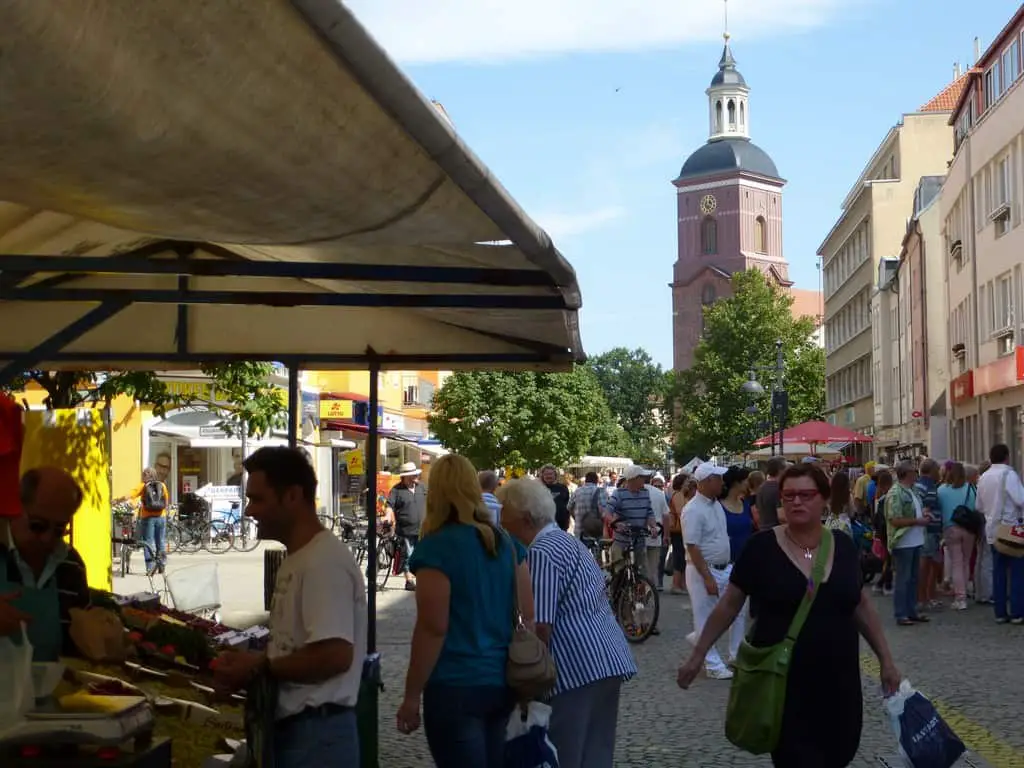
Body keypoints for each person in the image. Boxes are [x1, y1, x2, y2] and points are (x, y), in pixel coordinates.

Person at [677, 463, 900, 768]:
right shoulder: (762, 548)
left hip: (839, 681)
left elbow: (860, 604)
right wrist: (698, 655)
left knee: (840, 752)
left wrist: (886, 660)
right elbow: (730, 604)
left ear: (823, 499)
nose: (796, 502)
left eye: (806, 494)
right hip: (783, 682)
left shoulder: (844, 546)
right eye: (789, 496)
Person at [212, 447, 366, 767]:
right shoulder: (298, 558)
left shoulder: (323, 562)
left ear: (292, 496)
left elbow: (334, 655)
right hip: (299, 730)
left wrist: (258, 667)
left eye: (258, 499)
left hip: (317, 736)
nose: (249, 512)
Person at [396, 454, 532, 768]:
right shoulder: (506, 543)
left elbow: (432, 628)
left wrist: (411, 696)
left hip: (455, 684)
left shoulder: (436, 548)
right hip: (502, 681)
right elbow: (528, 612)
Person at [500, 478, 636, 768]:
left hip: (575, 668)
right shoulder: (568, 542)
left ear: (523, 518)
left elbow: (540, 625)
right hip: (607, 657)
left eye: (504, 518)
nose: (501, 526)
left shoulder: (540, 552)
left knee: (567, 753)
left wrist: (529, 679)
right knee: (597, 751)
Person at [0, 468, 91, 660]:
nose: (47, 538)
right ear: (16, 509)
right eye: (37, 525)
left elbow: (74, 646)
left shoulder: (71, 566)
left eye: (59, 529)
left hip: (52, 687)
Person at [682, 462, 733, 679]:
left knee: (722, 615)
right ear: (707, 481)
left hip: (722, 568)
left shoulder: (715, 504)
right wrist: (707, 577)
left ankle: (698, 638)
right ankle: (713, 665)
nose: (723, 482)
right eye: (719, 478)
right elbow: (692, 546)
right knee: (704, 617)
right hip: (704, 570)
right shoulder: (693, 510)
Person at [976, 443, 1024, 623]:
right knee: (1018, 571)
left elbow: (978, 506)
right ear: (1007, 456)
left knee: (999, 571)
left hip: (992, 530)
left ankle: (1000, 612)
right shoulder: (1008, 474)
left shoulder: (984, 477)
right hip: (1011, 528)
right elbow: (1020, 499)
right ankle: (1018, 612)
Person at [885, 461, 931, 626]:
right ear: (906, 474)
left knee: (913, 578)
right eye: (913, 473)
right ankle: (901, 613)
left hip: (916, 539)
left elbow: (915, 509)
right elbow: (894, 519)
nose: (916, 476)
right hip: (903, 541)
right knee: (903, 579)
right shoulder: (895, 493)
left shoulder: (913, 490)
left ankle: (911, 611)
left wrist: (923, 512)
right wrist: (917, 521)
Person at [937, 462, 976, 611]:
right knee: (965, 562)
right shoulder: (971, 488)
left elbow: (938, 509)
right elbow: (977, 507)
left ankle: (960, 598)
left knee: (956, 563)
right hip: (969, 529)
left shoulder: (942, 490)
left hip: (951, 527)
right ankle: (964, 592)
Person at [603, 466, 657, 571]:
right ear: (634, 479)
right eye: (642, 477)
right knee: (619, 571)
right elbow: (607, 513)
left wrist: (653, 526)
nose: (645, 479)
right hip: (621, 540)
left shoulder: (645, 493)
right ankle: (616, 586)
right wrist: (616, 524)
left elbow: (649, 512)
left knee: (641, 572)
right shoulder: (619, 493)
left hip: (639, 539)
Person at [123, 467, 170, 575]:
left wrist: (116, 500)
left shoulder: (143, 486)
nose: (142, 476)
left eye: (143, 474)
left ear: (146, 475)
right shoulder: (162, 485)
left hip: (148, 518)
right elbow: (166, 502)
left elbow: (129, 495)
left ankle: (150, 567)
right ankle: (161, 565)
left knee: (148, 543)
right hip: (161, 517)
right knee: (161, 542)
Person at [388, 462, 427, 592]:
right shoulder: (396, 490)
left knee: (421, 555)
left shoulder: (422, 487)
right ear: (405, 477)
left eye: (415, 474)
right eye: (412, 475)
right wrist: (388, 516)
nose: (415, 476)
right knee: (408, 555)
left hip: (422, 529)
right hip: (405, 530)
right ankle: (409, 581)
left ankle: (421, 579)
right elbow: (389, 506)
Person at [914, 458, 943, 610]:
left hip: (930, 531)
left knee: (931, 564)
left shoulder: (922, 485)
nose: (939, 474)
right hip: (928, 531)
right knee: (926, 565)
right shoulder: (926, 486)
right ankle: (923, 598)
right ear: (932, 471)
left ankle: (928, 596)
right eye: (937, 470)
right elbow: (924, 507)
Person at [756, 457, 786, 528]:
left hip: (764, 530)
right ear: (780, 470)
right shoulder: (778, 489)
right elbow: (782, 517)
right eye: (785, 468)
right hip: (776, 532)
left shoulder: (761, 487)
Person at [540, 464, 572, 531]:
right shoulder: (538, 489)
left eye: (551, 474)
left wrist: (568, 521)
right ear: (542, 476)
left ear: (555, 475)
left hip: (561, 526)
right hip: (543, 526)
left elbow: (568, 506)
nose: (548, 476)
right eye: (546, 474)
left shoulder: (563, 488)